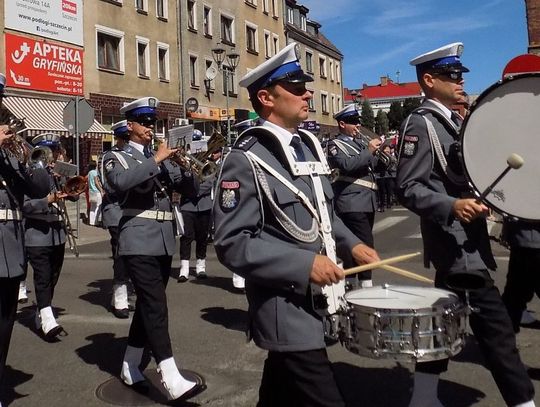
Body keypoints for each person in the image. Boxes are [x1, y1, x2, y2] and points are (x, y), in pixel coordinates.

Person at [213, 43, 380, 407]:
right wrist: (305, 265)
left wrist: (352, 244)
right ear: (266, 98)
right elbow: (231, 243)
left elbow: (323, 215)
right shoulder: (246, 158)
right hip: (284, 307)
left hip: (317, 302)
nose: (308, 94)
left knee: (279, 392)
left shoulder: (307, 147)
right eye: (296, 87)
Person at [396, 42, 535, 407]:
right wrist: (452, 205)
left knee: (443, 322)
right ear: (429, 80)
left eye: (460, 75)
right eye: (451, 75)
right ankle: (523, 402)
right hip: (454, 243)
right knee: (497, 331)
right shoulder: (421, 123)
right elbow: (408, 187)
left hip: (468, 241)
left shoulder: (457, 121)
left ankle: (422, 397)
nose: (460, 81)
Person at [103, 97, 205, 402]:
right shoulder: (115, 157)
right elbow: (120, 183)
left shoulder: (156, 156)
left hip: (162, 239)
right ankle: (170, 375)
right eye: (145, 122)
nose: (150, 127)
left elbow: (192, 190)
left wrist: (186, 165)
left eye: (153, 121)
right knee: (156, 305)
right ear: (130, 125)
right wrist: (157, 160)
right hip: (137, 238)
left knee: (149, 306)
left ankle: (130, 364)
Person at [0, 73, 50, 405]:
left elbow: (40, 188)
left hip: (10, 248)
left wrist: (29, 157)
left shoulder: (9, 152)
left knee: (4, 324)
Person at [23, 132, 78, 341]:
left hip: (57, 232)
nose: (52, 155)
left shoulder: (55, 174)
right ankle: (48, 320)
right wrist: (47, 200)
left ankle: (42, 311)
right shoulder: (29, 175)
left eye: (55, 150)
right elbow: (24, 205)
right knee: (43, 276)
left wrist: (69, 184)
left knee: (53, 276)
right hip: (37, 232)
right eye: (48, 152)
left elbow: (72, 196)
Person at [327, 104, 380, 290]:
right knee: (364, 243)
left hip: (367, 200)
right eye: (353, 122)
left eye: (358, 121)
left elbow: (372, 166)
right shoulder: (335, 145)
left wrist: (381, 156)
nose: (358, 125)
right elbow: (347, 165)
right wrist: (369, 151)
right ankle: (365, 284)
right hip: (351, 201)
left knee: (359, 242)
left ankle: (352, 283)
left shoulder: (360, 143)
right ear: (342, 124)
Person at [100, 120, 131, 319]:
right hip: (116, 211)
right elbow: (111, 186)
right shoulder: (110, 157)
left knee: (132, 255)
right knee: (121, 254)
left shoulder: (136, 156)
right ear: (119, 139)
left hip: (132, 211)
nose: (129, 142)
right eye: (126, 138)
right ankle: (120, 297)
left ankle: (122, 292)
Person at [177, 131, 214, 282]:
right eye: (193, 144)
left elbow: (210, 181)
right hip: (188, 205)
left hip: (204, 204)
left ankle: (201, 266)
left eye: (199, 143)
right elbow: (179, 183)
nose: (196, 147)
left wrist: (196, 191)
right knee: (187, 236)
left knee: (202, 236)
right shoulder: (183, 163)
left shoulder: (208, 162)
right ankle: (184, 268)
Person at [501, 219, 540, 332]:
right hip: (524, 236)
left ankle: (512, 315)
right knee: (517, 288)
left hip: (523, 235)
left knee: (517, 287)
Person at [87, 160, 103, 226]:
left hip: (91, 191)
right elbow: (96, 182)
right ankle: (96, 221)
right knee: (98, 206)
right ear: (95, 165)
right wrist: (101, 190)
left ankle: (91, 221)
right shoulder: (95, 173)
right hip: (96, 191)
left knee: (92, 207)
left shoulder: (89, 173)